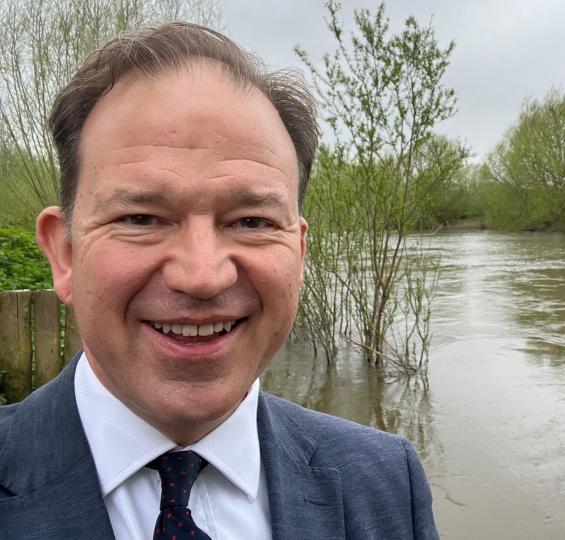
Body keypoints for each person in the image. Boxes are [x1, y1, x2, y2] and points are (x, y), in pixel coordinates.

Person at [0, 22, 439, 540]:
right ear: (65, 253)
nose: (203, 276)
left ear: (298, 253)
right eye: (141, 218)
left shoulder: (386, 481)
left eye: (252, 221)